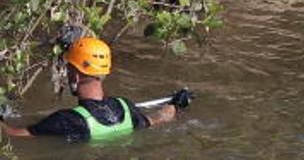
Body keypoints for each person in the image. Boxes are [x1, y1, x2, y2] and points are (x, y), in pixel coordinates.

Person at [0, 36, 192, 142]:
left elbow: (13, 134)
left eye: (68, 70)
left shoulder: (66, 120)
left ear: (75, 75)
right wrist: (177, 104)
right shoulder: (125, 107)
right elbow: (159, 118)